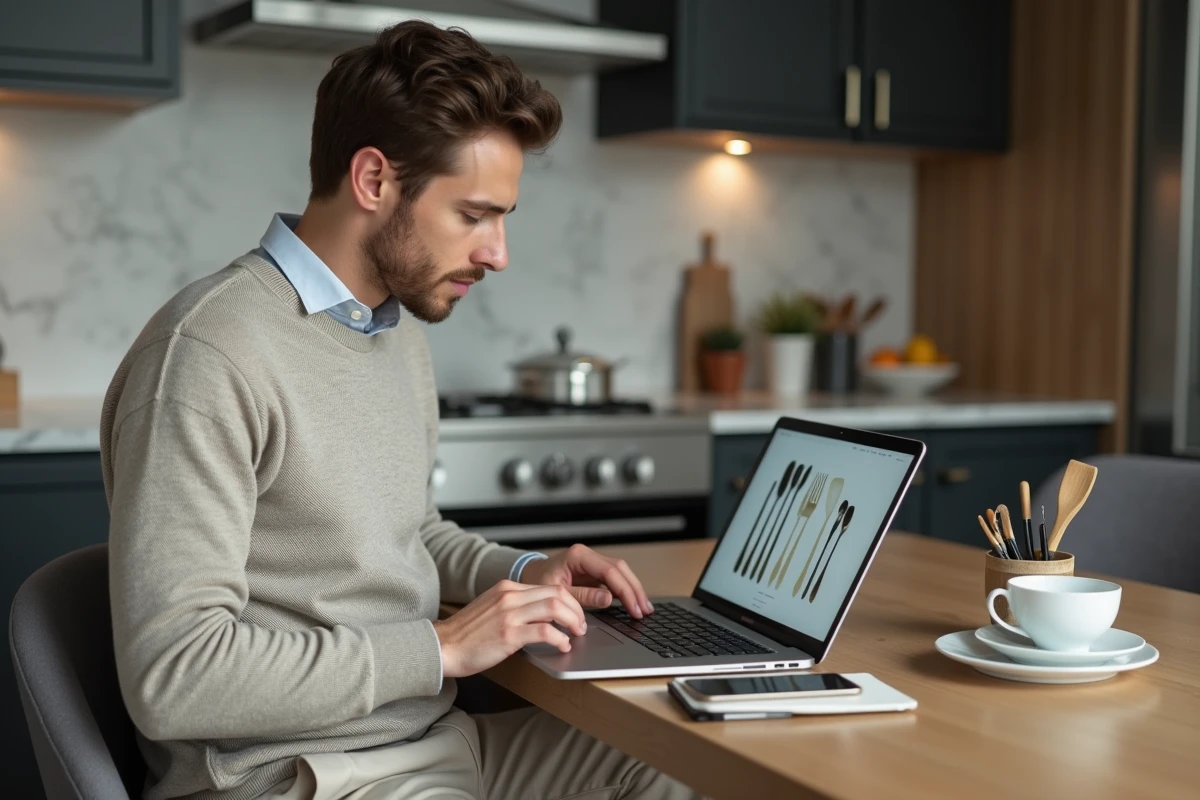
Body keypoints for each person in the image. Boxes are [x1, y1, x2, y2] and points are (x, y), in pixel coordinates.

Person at [100, 19, 699, 800]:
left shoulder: (390, 332)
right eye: (474, 215)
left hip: (437, 746)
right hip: (298, 777)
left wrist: (524, 576)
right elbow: (175, 674)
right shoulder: (207, 356)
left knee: (685, 760)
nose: (497, 254)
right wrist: (443, 647)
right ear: (375, 181)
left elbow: (407, 534)